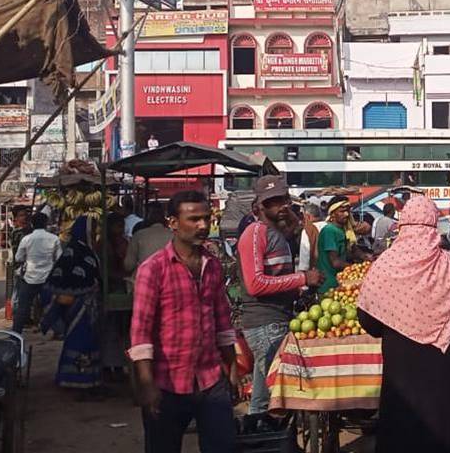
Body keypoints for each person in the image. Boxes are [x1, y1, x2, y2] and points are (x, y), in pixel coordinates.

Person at [357, 195, 450, 453]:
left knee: (402, 424)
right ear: (433, 225)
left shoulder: (384, 265)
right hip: (444, 357)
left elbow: (369, 321)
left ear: (403, 225)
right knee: (446, 422)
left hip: (400, 360)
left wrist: (400, 320)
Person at [129, 190, 238, 453]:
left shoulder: (211, 265)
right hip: (167, 383)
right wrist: (147, 384)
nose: (202, 225)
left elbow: (223, 322)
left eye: (206, 218)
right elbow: (140, 332)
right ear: (173, 223)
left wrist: (232, 371)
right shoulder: (153, 269)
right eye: (194, 219)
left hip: (210, 378)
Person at [237, 175, 322, 421]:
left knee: (264, 398)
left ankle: (262, 436)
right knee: (275, 396)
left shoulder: (276, 233)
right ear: (259, 207)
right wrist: (302, 279)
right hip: (265, 324)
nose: (282, 205)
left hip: (277, 320)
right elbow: (256, 284)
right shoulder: (255, 233)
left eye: (284, 199)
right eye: (273, 202)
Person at [41, 216, 103, 390]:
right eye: (93, 230)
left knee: (86, 341)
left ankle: (86, 379)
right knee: (80, 341)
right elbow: (65, 279)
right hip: (80, 307)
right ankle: (78, 380)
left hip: (85, 308)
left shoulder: (81, 250)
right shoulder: (78, 252)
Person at [12, 212, 62, 334]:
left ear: (32, 224)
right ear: (46, 223)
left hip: (30, 278)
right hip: (48, 278)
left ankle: (15, 333)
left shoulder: (26, 239)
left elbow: (18, 258)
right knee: (52, 305)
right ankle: (59, 331)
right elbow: (59, 258)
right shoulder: (54, 238)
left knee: (23, 307)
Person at [316, 199, 353, 293]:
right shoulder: (329, 231)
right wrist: (354, 267)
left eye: (347, 211)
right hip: (329, 286)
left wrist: (365, 257)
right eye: (342, 211)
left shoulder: (342, 230)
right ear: (332, 214)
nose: (346, 214)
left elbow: (349, 251)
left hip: (339, 283)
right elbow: (335, 262)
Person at [125, 205, 173, 277]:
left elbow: (128, 265)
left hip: (144, 277)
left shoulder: (138, 235)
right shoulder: (174, 236)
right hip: (168, 277)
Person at [298, 203, 327, 272]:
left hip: (317, 272)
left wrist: (303, 272)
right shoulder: (330, 226)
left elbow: (305, 256)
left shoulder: (308, 230)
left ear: (307, 216)